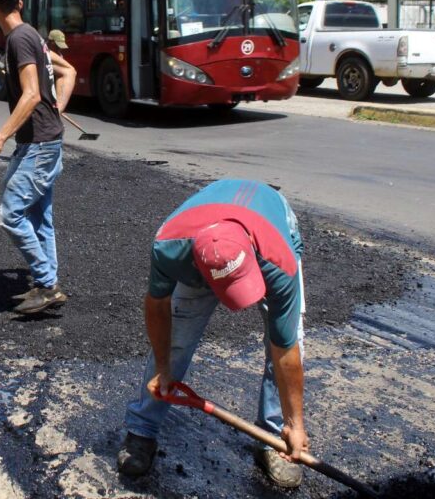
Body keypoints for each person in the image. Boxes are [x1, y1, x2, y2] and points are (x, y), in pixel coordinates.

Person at [117, 179, 308, 490]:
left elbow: (285, 349)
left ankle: (275, 437)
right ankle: (142, 429)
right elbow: (157, 307)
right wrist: (163, 369)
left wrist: (296, 423)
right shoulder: (170, 247)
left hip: (267, 228)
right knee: (177, 339)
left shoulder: (278, 261)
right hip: (200, 240)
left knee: (286, 338)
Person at [0, 0, 76, 315]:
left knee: (10, 214)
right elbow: (68, 72)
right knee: (39, 217)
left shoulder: (19, 39)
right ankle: (47, 282)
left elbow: (32, 93)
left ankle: (47, 285)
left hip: (39, 144)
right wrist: (56, 110)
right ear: (20, 3)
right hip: (43, 140)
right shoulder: (32, 34)